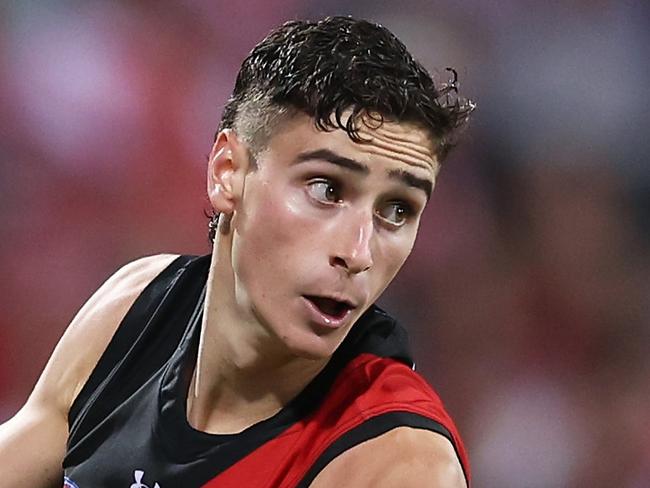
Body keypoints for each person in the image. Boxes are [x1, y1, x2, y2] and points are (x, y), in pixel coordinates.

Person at [0, 16, 475, 487]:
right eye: (327, 189)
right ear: (228, 171)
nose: (358, 252)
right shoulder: (134, 314)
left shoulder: (396, 463)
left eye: (397, 210)